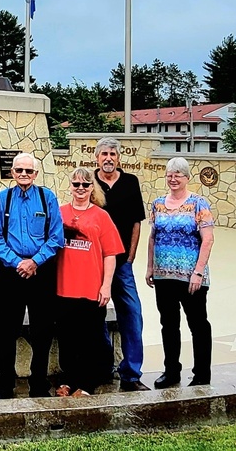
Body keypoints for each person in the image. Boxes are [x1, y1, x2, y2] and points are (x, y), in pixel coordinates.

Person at [0, 152, 64, 399]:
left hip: (41, 272)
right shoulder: (3, 199)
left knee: (42, 330)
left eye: (28, 171)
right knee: (6, 330)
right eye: (19, 170)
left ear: (36, 174)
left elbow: (56, 237)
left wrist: (35, 262)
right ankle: (5, 384)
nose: (23, 174)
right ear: (12, 172)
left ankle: (39, 383)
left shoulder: (47, 198)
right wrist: (18, 262)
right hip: (10, 273)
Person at [146, 157, 215, 388]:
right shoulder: (157, 204)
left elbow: (208, 239)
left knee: (198, 324)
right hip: (164, 276)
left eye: (178, 174)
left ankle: (201, 374)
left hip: (191, 278)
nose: (173, 178)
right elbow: (153, 237)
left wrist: (197, 272)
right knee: (169, 324)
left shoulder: (199, 204)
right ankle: (171, 371)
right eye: (169, 174)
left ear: (187, 177)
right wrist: (149, 267)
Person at [55, 168, 123, 398]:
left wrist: (106, 286)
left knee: (89, 338)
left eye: (85, 185)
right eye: (76, 184)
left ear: (92, 187)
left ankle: (86, 383)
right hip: (64, 287)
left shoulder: (101, 216)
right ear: (70, 187)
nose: (81, 189)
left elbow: (111, 254)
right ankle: (68, 379)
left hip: (91, 287)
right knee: (67, 337)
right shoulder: (60, 212)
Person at [93, 137, 150, 392]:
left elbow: (137, 222)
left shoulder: (130, 182)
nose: (108, 158)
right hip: (94, 263)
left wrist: (131, 255)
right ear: (96, 158)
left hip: (122, 262)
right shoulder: (89, 181)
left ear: (118, 158)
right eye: (104, 154)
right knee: (94, 316)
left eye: (112, 154)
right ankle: (104, 366)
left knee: (132, 314)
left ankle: (131, 374)